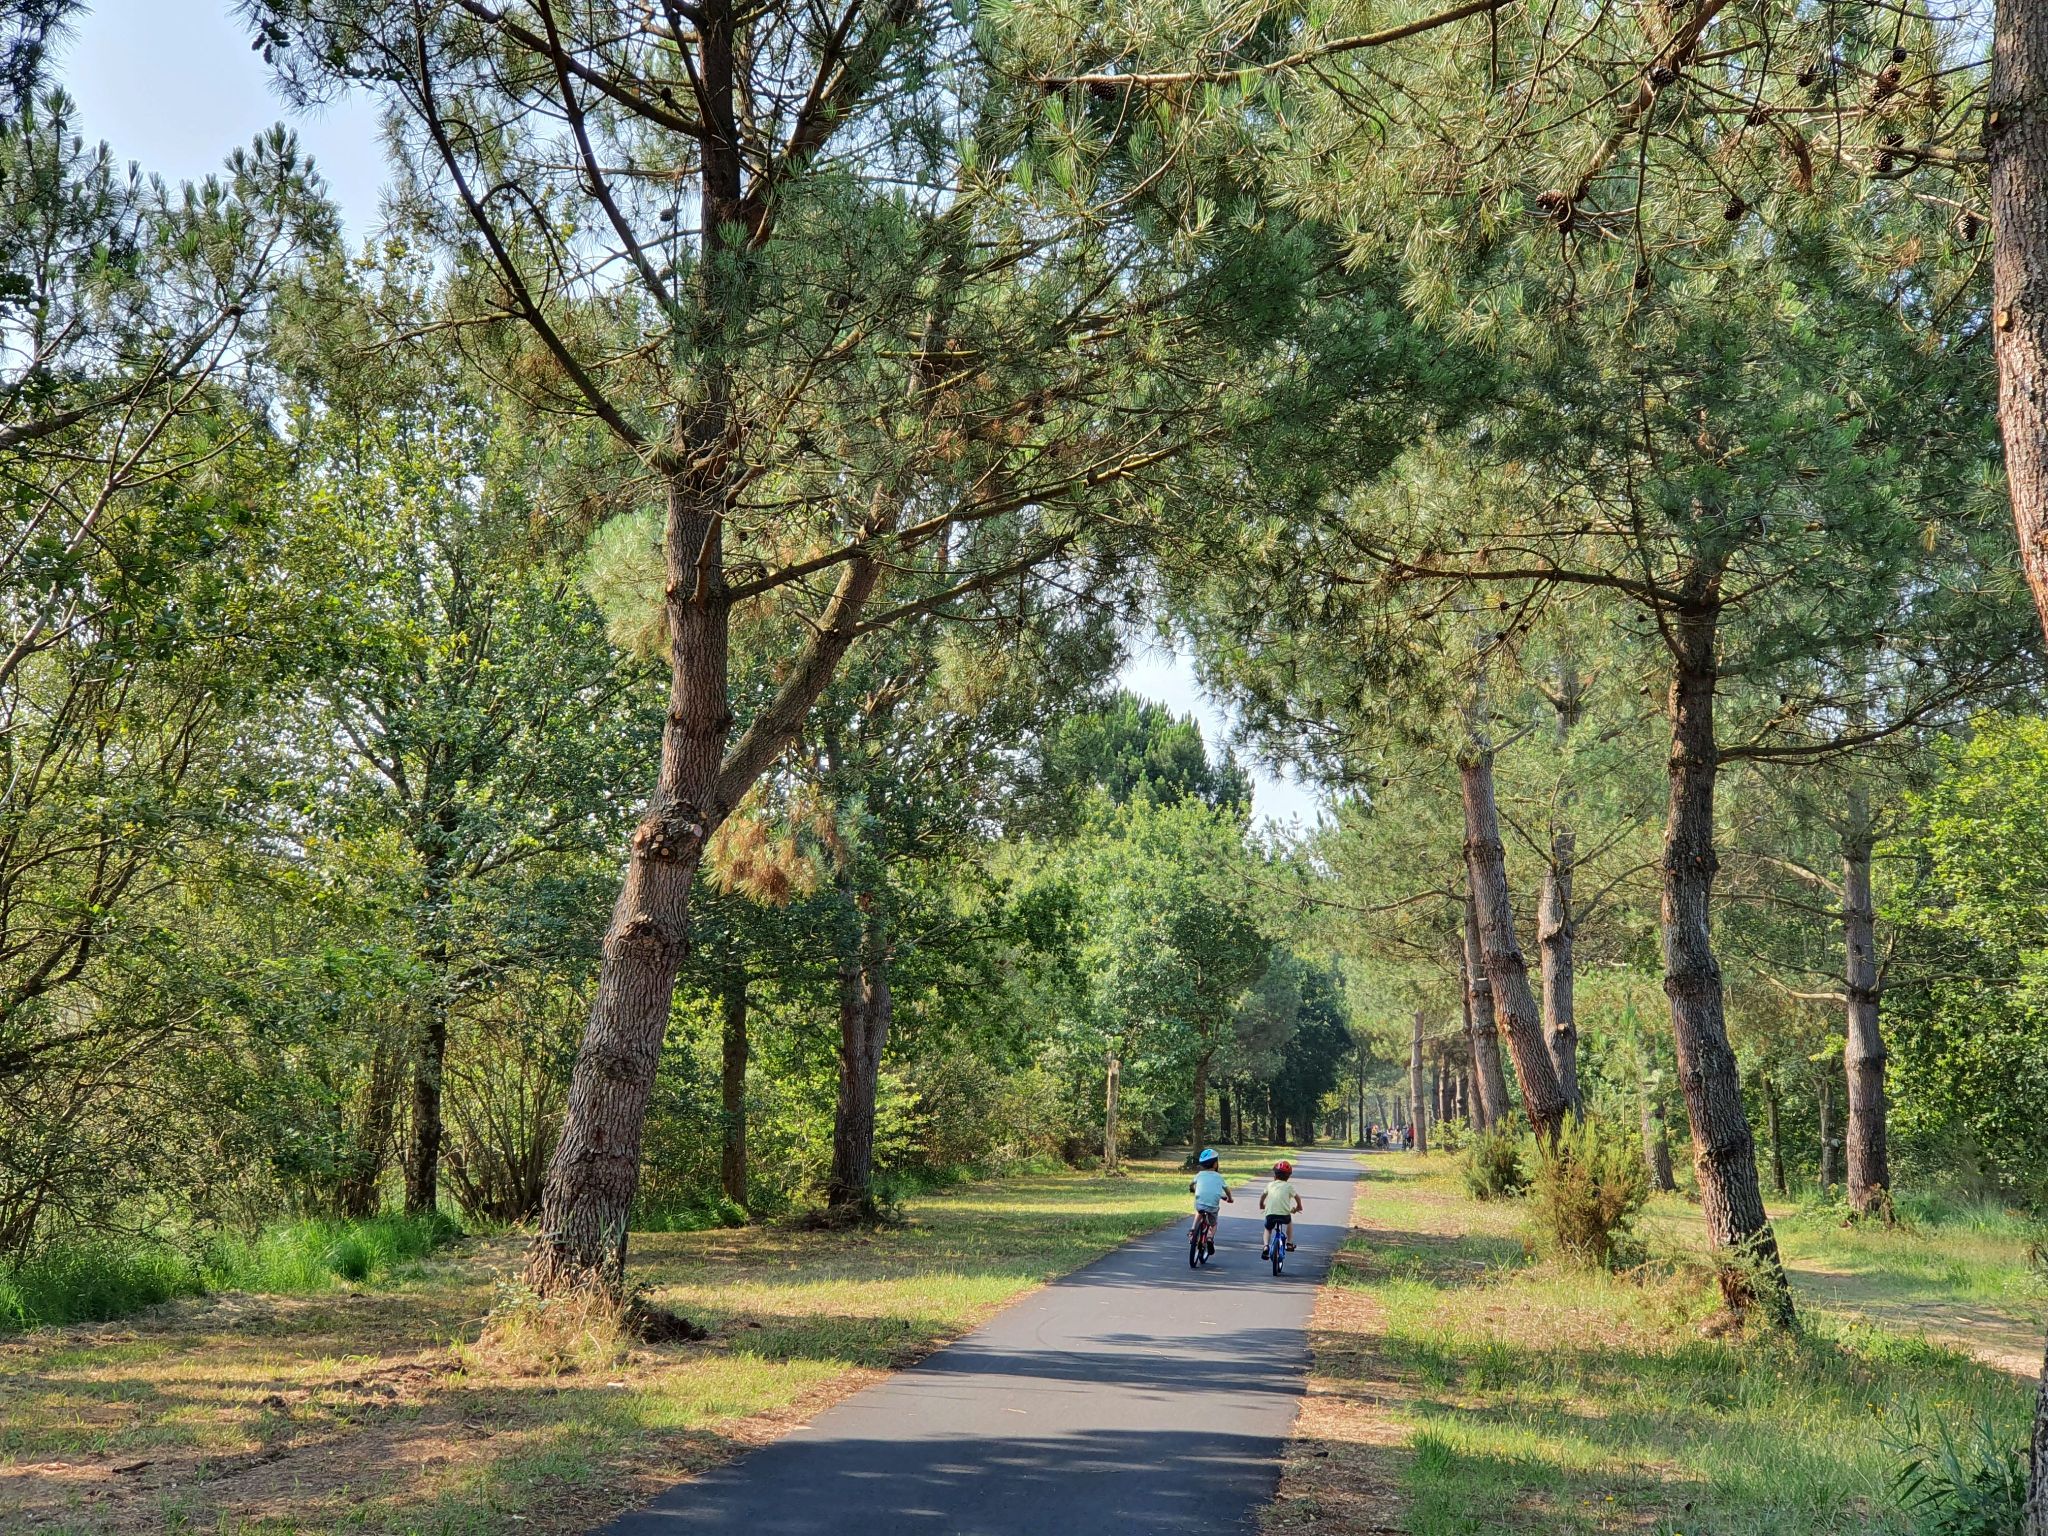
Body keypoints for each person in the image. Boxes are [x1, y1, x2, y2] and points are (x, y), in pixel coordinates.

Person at [1188, 1148, 1232, 1252]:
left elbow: (1191, 1184)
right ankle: (1210, 1237)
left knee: (1199, 1211)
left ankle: (1193, 1230)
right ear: (1215, 1164)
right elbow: (1226, 1190)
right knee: (1214, 1224)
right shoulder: (1218, 1177)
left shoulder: (1199, 1175)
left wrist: (1192, 1189)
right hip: (1212, 1207)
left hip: (1200, 1204)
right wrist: (1229, 1198)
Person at [1260, 1159, 1302, 1252]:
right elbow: (1297, 1198)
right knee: (1289, 1222)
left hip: (1270, 1215)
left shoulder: (1270, 1185)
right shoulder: (1288, 1186)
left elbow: (1263, 1196)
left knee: (1268, 1229)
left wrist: (1261, 1205)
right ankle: (1289, 1243)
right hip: (1284, 1215)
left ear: (1274, 1175)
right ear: (1288, 1177)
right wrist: (1299, 1207)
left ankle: (1266, 1246)